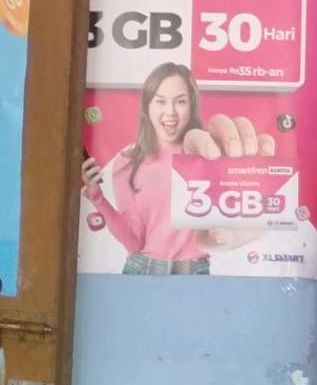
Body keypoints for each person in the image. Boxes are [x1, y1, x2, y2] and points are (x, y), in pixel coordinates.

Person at [81, 63, 275, 277]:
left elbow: (231, 219)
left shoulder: (207, 152)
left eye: (180, 101)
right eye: (160, 101)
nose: (170, 112)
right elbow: (134, 242)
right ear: (147, 106)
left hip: (193, 269)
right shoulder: (127, 162)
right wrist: (97, 197)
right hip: (142, 269)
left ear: (192, 105)